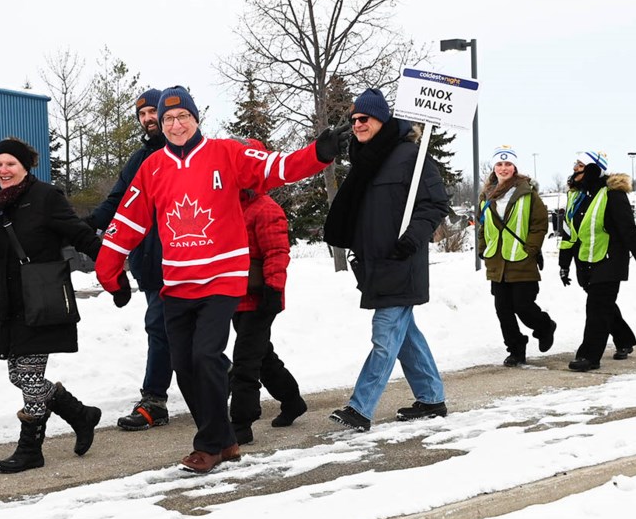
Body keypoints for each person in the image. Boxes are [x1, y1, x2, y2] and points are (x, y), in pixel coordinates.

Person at [95, 85, 346, 473]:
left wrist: (318, 153)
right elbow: (127, 220)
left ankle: (209, 444)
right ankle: (226, 440)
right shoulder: (152, 168)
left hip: (224, 277)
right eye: (168, 119)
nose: (176, 125)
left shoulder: (226, 153)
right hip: (177, 283)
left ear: (196, 119)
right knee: (183, 364)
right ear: (160, 125)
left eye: (183, 117)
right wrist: (108, 270)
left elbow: (275, 167)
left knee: (206, 356)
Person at [0, 137, 103, 473]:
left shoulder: (46, 197)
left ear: (25, 166)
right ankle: (79, 414)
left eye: (10, 164)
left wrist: (110, 267)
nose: (3, 170)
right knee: (18, 374)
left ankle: (31, 449)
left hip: (42, 298)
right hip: (13, 302)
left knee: (29, 376)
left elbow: (78, 233)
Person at [323, 88, 450, 432]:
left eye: (364, 118)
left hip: (401, 261)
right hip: (373, 263)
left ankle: (360, 408)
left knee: (384, 335)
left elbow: (436, 202)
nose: (357, 124)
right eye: (354, 120)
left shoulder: (410, 155)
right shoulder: (364, 161)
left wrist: (412, 238)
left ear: (381, 119)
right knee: (404, 336)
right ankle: (431, 398)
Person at [84, 88, 174, 432]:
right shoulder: (138, 160)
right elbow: (117, 201)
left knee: (167, 328)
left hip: (184, 257)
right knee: (166, 328)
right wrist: (86, 225)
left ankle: (155, 398)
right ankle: (231, 376)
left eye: (154, 112)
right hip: (149, 261)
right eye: (143, 114)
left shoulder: (184, 155)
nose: (148, 119)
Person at [229, 160, 307, 445]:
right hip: (234, 297)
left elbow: (277, 252)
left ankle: (241, 422)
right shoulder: (230, 206)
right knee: (261, 356)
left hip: (260, 298)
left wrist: (274, 290)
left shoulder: (267, 209)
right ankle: (292, 399)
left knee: (245, 361)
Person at [559, 151, 636, 372]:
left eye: (580, 165)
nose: (575, 169)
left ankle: (589, 356)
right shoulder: (577, 196)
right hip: (585, 261)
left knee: (596, 308)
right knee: (604, 307)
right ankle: (625, 339)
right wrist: (564, 264)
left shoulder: (613, 194)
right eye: (575, 164)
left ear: (593, 169)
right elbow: (568, 233)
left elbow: (628, 230)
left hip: (611, 260)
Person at [477, 146, 556, 367]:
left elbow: (539, 224)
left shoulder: (527, 193)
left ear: (515, 167)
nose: (504, 168)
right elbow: (482, 226)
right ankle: (516, 348)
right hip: (496, 261)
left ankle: (544, 326)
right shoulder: (486, 196)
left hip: (521, 258)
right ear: (494, 168)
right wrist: (483, 247)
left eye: (508, 164)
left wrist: (531, 249)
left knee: (523, 306)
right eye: (500, 164)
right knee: (503, 310)